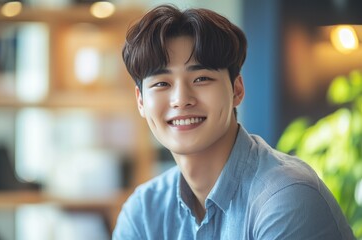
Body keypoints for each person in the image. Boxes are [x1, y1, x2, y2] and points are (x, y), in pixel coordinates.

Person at [113, 4, 355, 240]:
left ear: (237, 89)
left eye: (201, 78)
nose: (181, 100)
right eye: (161, 83)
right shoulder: (143, 213)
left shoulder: (286, 198)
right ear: (141, 102)